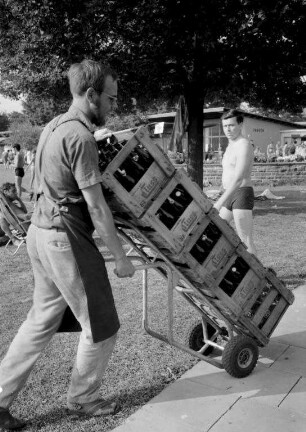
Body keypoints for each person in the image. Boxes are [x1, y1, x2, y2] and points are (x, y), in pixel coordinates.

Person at [0, 59, 136, 430]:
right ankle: (84, 399)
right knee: (102, 324)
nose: (112, 106)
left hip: (39, 234)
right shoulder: (80, 136)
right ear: (90, 94)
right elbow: (95, 206)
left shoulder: (53, 126)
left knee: (40, 320)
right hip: (64, 239)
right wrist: (121, 257)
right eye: (109, 99)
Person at [213, 109, 256, 255]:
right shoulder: (230, 146)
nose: (228, 129)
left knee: (245, 240)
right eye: (225, 126)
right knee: (216, 229)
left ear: (241, 124)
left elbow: (238, 179)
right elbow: (228, 174)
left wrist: (219, 203)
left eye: (231, 125)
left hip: (242, 194)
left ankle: (260, 277)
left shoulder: (243, 144)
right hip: (229, 193)